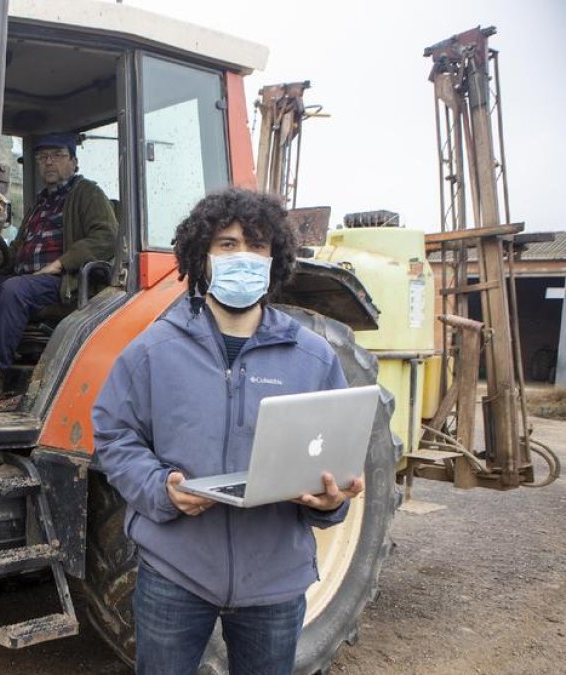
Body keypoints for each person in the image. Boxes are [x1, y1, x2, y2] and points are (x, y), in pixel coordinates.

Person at [91, 188, 365, 674]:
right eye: (227, 244)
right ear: (203, 256)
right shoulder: (152, 351)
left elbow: (336, 454)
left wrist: (332, 500)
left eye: (257, 247)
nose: (244, 257)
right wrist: (160, 489)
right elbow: (115, 435)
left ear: (275, 258)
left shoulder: (313, 358)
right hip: (176, 572)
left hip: (275, 579)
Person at [0, 133, 117, 408]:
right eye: (43, 157)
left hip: (61, 284)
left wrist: (60, 263)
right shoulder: (40, 203)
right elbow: (21, 247)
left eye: (57, 155)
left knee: (14, 290)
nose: (49, 162)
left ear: (73, 162)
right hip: (26, 279)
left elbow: (105, 238)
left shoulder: (87, 193)